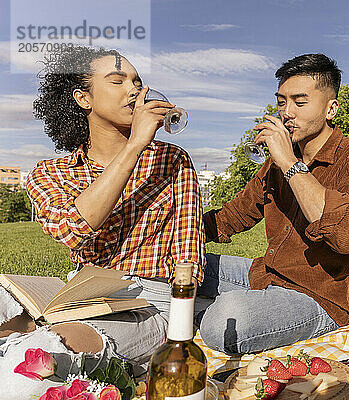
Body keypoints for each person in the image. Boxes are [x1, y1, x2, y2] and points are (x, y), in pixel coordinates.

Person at [0, 46, 205, 376]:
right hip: (84, 293)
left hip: (152, 301)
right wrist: (134, 147)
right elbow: (71, 229)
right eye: (118, 80)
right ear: (84, 99)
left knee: (49, 354)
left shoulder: (172, 160)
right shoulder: (52, 172)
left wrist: (180, 327)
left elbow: (189, 255)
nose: (135, 90)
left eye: (138, 81)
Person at [198, 53, 349, 355]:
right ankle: (206, 302)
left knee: (224, 320)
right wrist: (175, 231)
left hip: (319, 296)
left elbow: (347, 235)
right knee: (179, 262)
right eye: (281, 102)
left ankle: (200, 310)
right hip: (267, 274)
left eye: (300, 102)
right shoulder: (274, 164)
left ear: (330, 109)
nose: (287, 113)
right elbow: (232, 216)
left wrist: (288, 161)